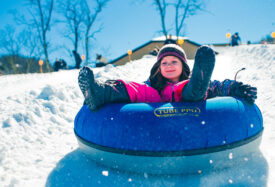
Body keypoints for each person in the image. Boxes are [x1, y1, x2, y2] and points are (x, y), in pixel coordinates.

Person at [78, 44, 257, 111]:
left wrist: (236, 88)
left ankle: (199, 79)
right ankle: (97, 92)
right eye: (164, 63)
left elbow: (218, 86)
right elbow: (132, 91)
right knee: (134, 88)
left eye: (174, 62)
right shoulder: (153, 84)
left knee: (191, 88)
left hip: (187, 94)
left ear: (183, 66)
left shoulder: (185, 82)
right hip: (156, 97)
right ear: (158, 67)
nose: (169, 66)